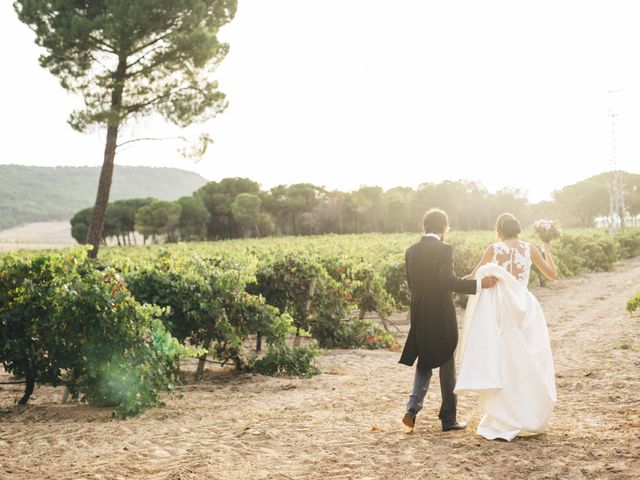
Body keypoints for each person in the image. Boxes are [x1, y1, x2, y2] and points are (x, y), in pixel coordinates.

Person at [454, 213, 558, 441]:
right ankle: (527, 413)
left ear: (499, 231)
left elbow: (473, 276)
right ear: (518, 229)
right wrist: (546, 248)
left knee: (505, 361)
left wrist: (450, 282)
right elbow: (552, 275)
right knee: (528, 362)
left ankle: (503, 416)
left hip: (502, 310)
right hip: (526, 308)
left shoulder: (494, 249)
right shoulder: (530, 249)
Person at [399, 208, 497, 433]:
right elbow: (445, 281)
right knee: (446, 360)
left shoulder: (411, 250)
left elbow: (414, 284)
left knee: (425, 358)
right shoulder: (444, 249)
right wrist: (481, 285)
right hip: (440, 311)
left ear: (424, 227)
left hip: (419, 309)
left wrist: (456, 281)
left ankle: (412, 409)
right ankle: (448, 418)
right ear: (444, 228)